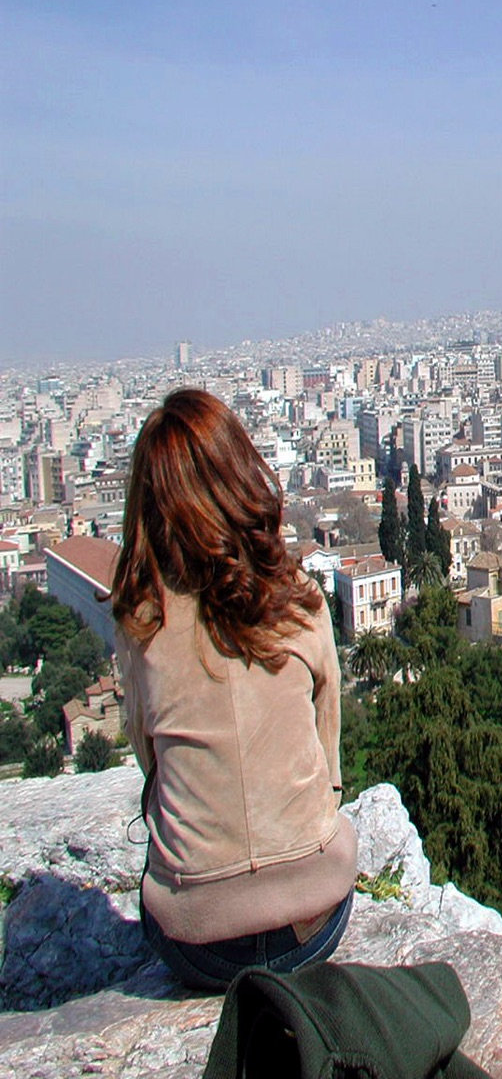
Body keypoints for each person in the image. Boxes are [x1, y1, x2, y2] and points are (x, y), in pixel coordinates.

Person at [112, 388, 357, 991]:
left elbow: (150, 758)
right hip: (313, 921)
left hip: (197, 942)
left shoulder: (142, 621)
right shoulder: (298, 599)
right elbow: (328, 757)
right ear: (242, 476)